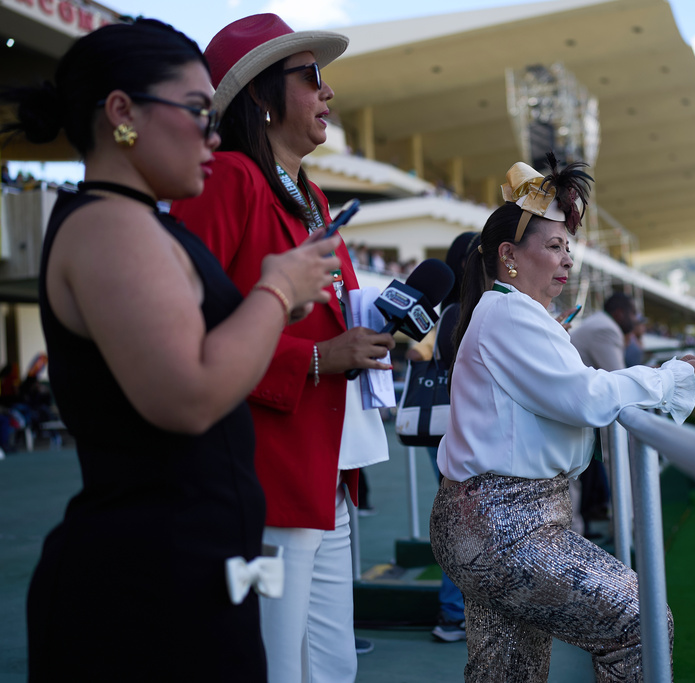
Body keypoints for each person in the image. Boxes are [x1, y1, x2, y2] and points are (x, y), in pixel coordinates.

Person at [0, 18, 341, 681]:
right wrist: (274, 290)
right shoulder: (109, 226)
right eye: (195, 112)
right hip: (146, 587)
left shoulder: (135, 222)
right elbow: (188, 396)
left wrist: (270, 307)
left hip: (180, 571)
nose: (214, 136)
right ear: (122, 113)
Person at [430, 154, 695, 682]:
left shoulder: (511, 313)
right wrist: (674, 376)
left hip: (494, 518)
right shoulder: (507, 313)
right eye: (553, 246)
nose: (567, 261)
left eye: (568, 248)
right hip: (507, 524)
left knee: (508, 674)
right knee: (641, 619)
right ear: (509, 255)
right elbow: (585, 396)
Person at [170, 14, 393, 682]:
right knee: (269, 662)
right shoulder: (229, 178)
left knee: (329, 663)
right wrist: (321, 359)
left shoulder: (315, 197)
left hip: (328, 472)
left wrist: (374, 330)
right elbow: (193, 332)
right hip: (262, 475)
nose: (327, 93)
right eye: (311, 78)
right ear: (262, 97)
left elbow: (322, 318)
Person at [405, 230, 479, 643]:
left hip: (450, 428)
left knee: (459, 519)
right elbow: (419, 352)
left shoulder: (457, 309)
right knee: (463, 521)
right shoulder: (455, 311)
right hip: (453, 428)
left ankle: (454, 611)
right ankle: (453, 612)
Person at [568, 291, 641, 537]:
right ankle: (625, 531)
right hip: (575, 412)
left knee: (574, 478)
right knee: (611, 464)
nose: (636, 318)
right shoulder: (606, 329)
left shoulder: (600, 324)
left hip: (578, 409)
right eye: (633, 312)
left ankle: (618, 528)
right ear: (619, 313)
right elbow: (619, 380)